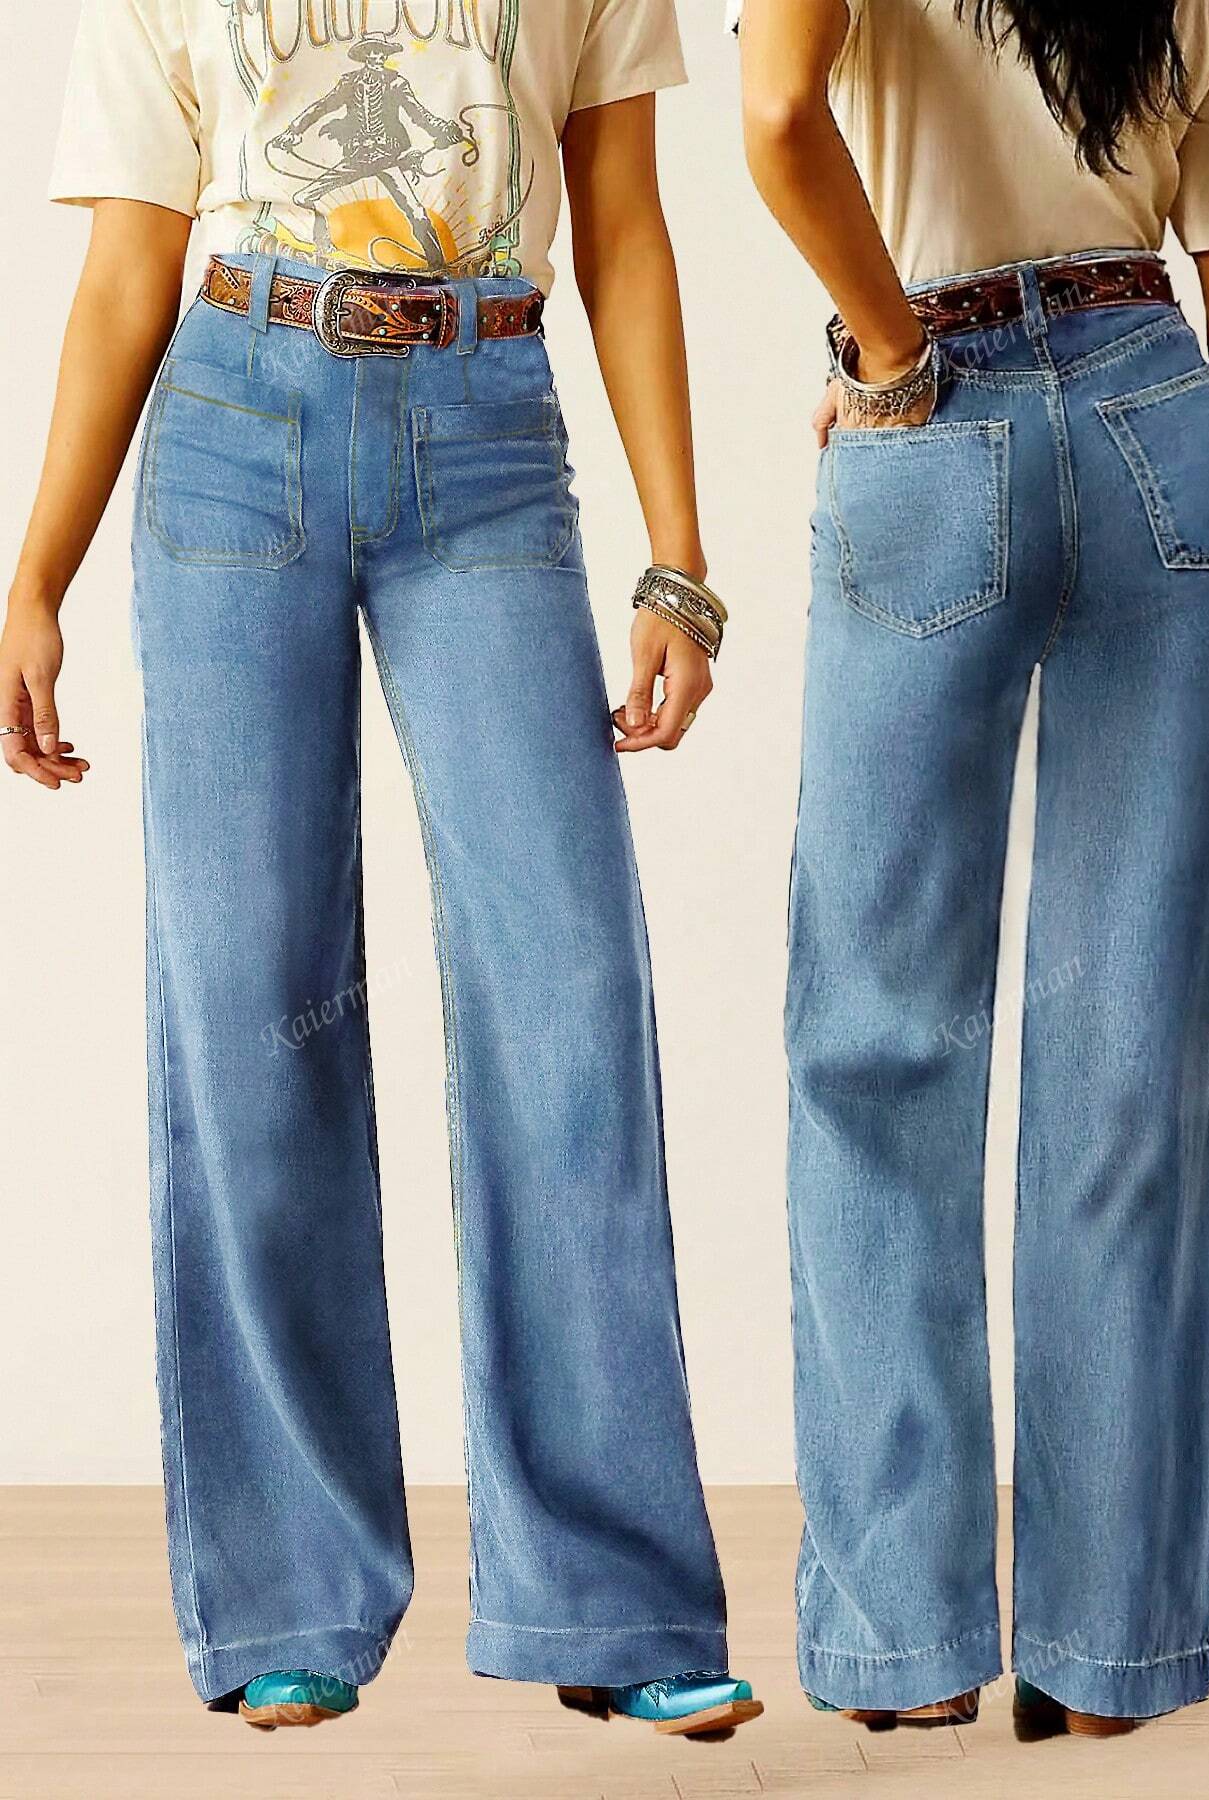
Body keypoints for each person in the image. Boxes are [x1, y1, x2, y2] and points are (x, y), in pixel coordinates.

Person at [1, 0, 762, 1740]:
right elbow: (128, 267)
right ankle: (287, 1596)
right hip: (231, 426)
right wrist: (36, 575)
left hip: (486, 437)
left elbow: (624, 227)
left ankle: (613, 1599)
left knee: (567, 999)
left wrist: (678, 559)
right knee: (250, 1000)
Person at [736, 0, 1209, 1736]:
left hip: (931, 423)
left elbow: (777, 115)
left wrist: (888, 356)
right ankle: (1107, 1657)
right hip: (1163, 430)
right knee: (1130, 1067)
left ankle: (906, 1647)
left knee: (875, 1051)